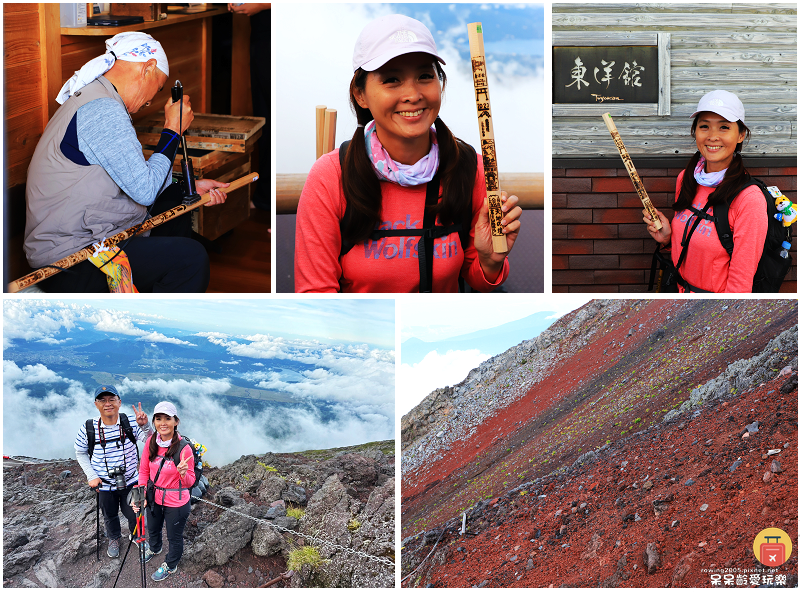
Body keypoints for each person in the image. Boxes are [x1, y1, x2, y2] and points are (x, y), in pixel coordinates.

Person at [294, 14, 522, 293]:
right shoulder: (331, 176)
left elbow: (478, 281)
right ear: (360, 93)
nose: (413, 94)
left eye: (425, 76)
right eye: (392, 80)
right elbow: (317, 296)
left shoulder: (468, 168)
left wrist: (489, 260)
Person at [24, 32, 230, 293]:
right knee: (191, 259)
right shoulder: (102, 109)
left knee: (176, 200)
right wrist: (173, 130)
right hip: (70, 258)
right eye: (156, 90)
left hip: (89, 234)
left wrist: (187, 186)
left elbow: (134, 177)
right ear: (148, 68)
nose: (149, 101)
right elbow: (144, 191)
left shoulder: (98, 97)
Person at [643, 90, 766, 293]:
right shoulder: (686, 178)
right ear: (695, 132)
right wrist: (667, 239)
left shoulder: (749, 199)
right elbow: (696, 249)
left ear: (741, 135)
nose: (712, 136)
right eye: (704, 126)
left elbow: (740, 286)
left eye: (724, 127)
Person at [74, 385, 152, 558]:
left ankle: (137, 536)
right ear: (96, 404)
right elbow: (80, 452)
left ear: (119, 402)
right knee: (109, 514)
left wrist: (146, 426)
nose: (107, 403)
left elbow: (151, 443)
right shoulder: (88, 428)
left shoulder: (130, 422)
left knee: (136, 513)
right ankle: (114, 537)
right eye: (102, 400)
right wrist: (92, 475)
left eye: (111, 399)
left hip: (133, 480)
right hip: (104, 483)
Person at [132, 401, 194, 582]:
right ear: (154, 422)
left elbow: (190, 481)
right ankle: (155, 547)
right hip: (154, 497)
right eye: (158, 419)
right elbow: (143, 471)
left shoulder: (184, 448)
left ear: (176, 421)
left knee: (174, 537)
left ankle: (171, 564)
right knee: (153, 528)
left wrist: (183, 473)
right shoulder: (152, 441)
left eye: (168, 418)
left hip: (177, 502)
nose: (163, 423)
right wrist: (140, 495)